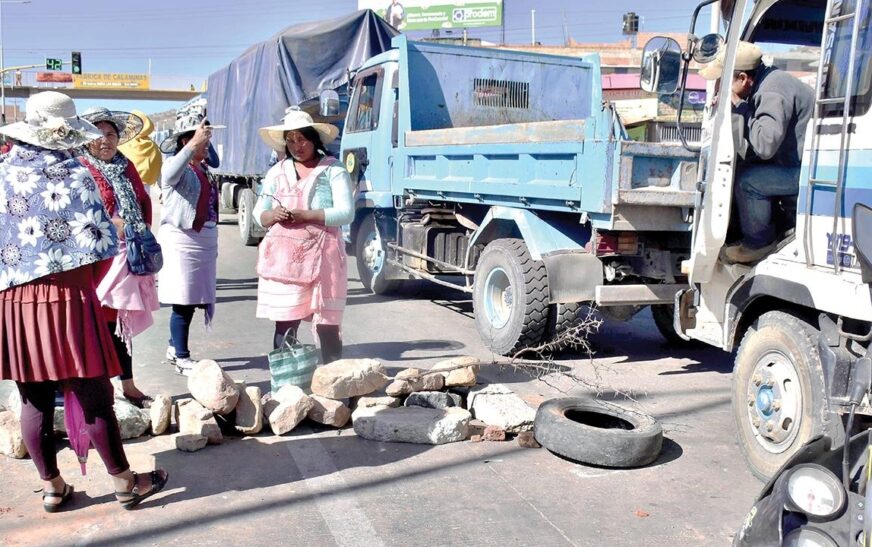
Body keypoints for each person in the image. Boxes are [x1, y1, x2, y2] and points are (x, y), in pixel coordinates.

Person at [0, 91, 168, 513]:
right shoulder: (78, 176)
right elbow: (104, 246)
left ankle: (53, 487)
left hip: (15, 299)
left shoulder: (1, 174)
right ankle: (125, 483)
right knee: (94, 396)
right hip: (71, 297)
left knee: (33, 398)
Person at [254, 107, 353, 363]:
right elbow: (260, 214)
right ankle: (287, 386)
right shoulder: (277, 172)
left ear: (314, 139)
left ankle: (334, 384)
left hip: (324, 261)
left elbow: (346, 213)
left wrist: (306, 216)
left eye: (302, 139)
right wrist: (272, 215)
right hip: (285, 263)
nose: (297, 146)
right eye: (290, 140)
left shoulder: (333, 169)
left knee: (327, 324)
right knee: (285, 325)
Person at [700, 41, 814, 264]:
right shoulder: (768, 82)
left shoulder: (772, 90)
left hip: (804, 173)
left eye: (724, 82)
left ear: (743, 78)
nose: (721, 87)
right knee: (744, 167)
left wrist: (738, 105)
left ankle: (759, 244)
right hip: (798, 166)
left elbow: (764, 145)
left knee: (748, 182)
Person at [78, 107, 159, 408]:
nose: (105, 140)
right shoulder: (81, 169)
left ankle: (128, 385)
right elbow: (76, 213)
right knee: (93, 323)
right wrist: (108, 225)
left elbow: (143, 199)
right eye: (98, 135)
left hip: (126, 257)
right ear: (87, 139)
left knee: (119, 323)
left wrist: (143, 227)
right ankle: (93, 391)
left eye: (111, 134)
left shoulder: (126, 167)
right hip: (95, 260)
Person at [157, 113, 218, 376]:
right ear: (186, 141)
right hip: (182, 240)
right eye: (202, 141)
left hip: (202, 240)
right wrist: (193, 143)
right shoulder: (175, 165)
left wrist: (204, 140)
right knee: (183, 300)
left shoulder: (203, 166)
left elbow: (216, 160)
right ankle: (181, 356)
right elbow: (169, 175)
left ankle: (174, 347)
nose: (206, 145)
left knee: (192, 300)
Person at [117, 109, 162, 186]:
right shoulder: (152, 146)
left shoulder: (123, 143)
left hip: (124, 185)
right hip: (146, 186)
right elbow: (157, 168)